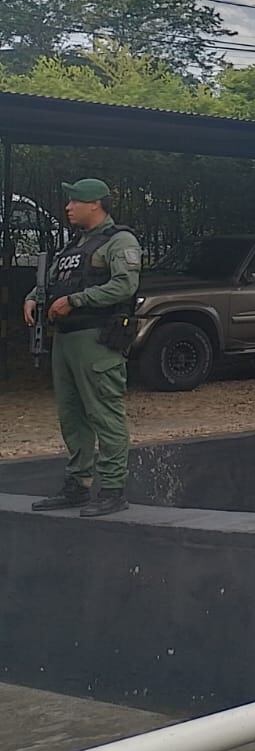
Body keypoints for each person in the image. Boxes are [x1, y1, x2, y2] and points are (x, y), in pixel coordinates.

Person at [23, 178, 141, 517]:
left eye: (75, 201)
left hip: (97, 339)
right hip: (66, 339)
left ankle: (113, 489)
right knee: (71, 415)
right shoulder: (74, 245)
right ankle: (78, 484)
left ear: (95, 204)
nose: (68, 207)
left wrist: (76, 300)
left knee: (104, 413)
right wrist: (33, 297)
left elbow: (124, 285)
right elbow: (52, 282)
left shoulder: (119, 241)